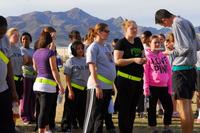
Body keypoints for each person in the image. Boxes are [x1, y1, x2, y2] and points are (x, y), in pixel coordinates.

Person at [155, 9, 198, 133]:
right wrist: (176, 46)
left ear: (164, 20)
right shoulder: (186, 21)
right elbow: (194, 44)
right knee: (188, 104)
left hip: (181, 70)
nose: (166, 26)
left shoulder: (176, 23)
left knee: (182, 106)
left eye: (163, 25)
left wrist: (170, 52)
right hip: (190, 69)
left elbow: (185, 47)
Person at [114, 19, 146, 133]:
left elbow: (143, 55)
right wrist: (133, 59)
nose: (135, 30)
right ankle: (123, 130)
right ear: (125, 29)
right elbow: (117, 61)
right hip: (125, 80)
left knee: (133, 108)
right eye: (132, 28)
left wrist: (143, 60)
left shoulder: (138, 41)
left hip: (138, 80)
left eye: (136, 28)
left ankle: (129, 130)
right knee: (124, 109)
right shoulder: (121, 43)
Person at [83, 23, 116, 133]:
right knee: (92, 115)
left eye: (108, 31)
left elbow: (110, 66)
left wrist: (111, 85)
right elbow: (92, 66)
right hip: (97, 86)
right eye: (106, 31)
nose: (108, 33)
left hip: (107, 86)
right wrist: (97, 85)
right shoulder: (93, 47)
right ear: (99, 32)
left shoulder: (107, 46)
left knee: (101, 116)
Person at [32, 31, 64, 133]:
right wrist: (60, 84)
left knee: (41, 109)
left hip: (37, 84)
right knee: (44, 111)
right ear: (49, 42)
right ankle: (42, 130)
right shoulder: (50, 53)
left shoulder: (36, 53)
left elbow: (36, 69)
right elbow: (54, 70)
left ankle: (47, 129)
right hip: (47, 86)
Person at [143, 35, 173, 133]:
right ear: (149, 44)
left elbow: (169, 71)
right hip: (152, 86)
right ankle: (153, 128)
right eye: (155, 42)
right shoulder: (147, 56)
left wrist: (169, 87)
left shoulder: (163, 56)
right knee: (151, 108)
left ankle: (166, 127)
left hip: (164, 87)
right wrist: (146, 87)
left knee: (169, 107)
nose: (157, 44)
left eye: (159, 42)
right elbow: (145, 73)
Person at [61, 40, 89, 132]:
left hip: (84, 90)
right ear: (73, 50)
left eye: (81, 48)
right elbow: (67, 78)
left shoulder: (86, 60)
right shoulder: (70, 61)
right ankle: (66, 127)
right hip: (74, 89)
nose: (80, 50)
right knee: (69, 110)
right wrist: (70, 91)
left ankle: (82, 126)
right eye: (78, 49)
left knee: (82, 110)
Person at [0, 15, 18, 133]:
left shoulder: (5, 40)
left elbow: (8, 65)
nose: (1, 36)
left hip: (4, 90)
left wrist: (13, 90)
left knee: (8, 126)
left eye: (3, 33)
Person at [20, 32, 36, 124]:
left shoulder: (33, 50)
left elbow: (34, 61)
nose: (25, 40)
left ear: (30, 40)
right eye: (23, 39)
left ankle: (31, 115)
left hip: (34, 76)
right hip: (25, 76)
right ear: (21, 41)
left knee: (33, 97)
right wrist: (31, 60)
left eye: (27, 38)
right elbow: (26, 61)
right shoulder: (20, 50)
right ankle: (24, 116)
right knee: (25, 97)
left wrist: (31, 60)